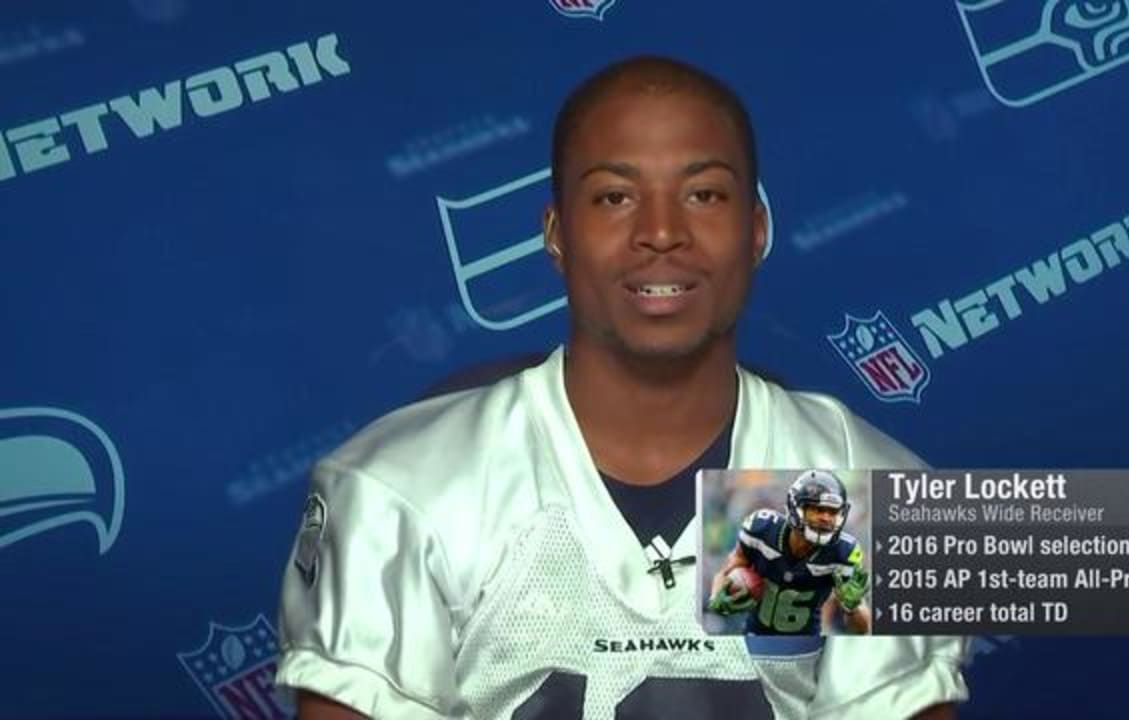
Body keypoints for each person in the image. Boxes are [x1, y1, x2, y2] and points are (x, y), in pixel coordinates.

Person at [275, 55, 968, 719]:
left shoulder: (865, 487)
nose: (661, 232)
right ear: (556, 234)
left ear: (756, 230)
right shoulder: (398, 491)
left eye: (703, 194)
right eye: (614, 196)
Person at [708, 470, 872, 636]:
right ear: (795, 507)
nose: (825, 519)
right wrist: (716, 595)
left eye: (833, 512)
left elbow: (862, 629)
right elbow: (727, 569)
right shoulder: (762, 528)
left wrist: (851, 607)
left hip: (806, 645)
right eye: (817, 510)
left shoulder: (843, 552)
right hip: (753, 635)